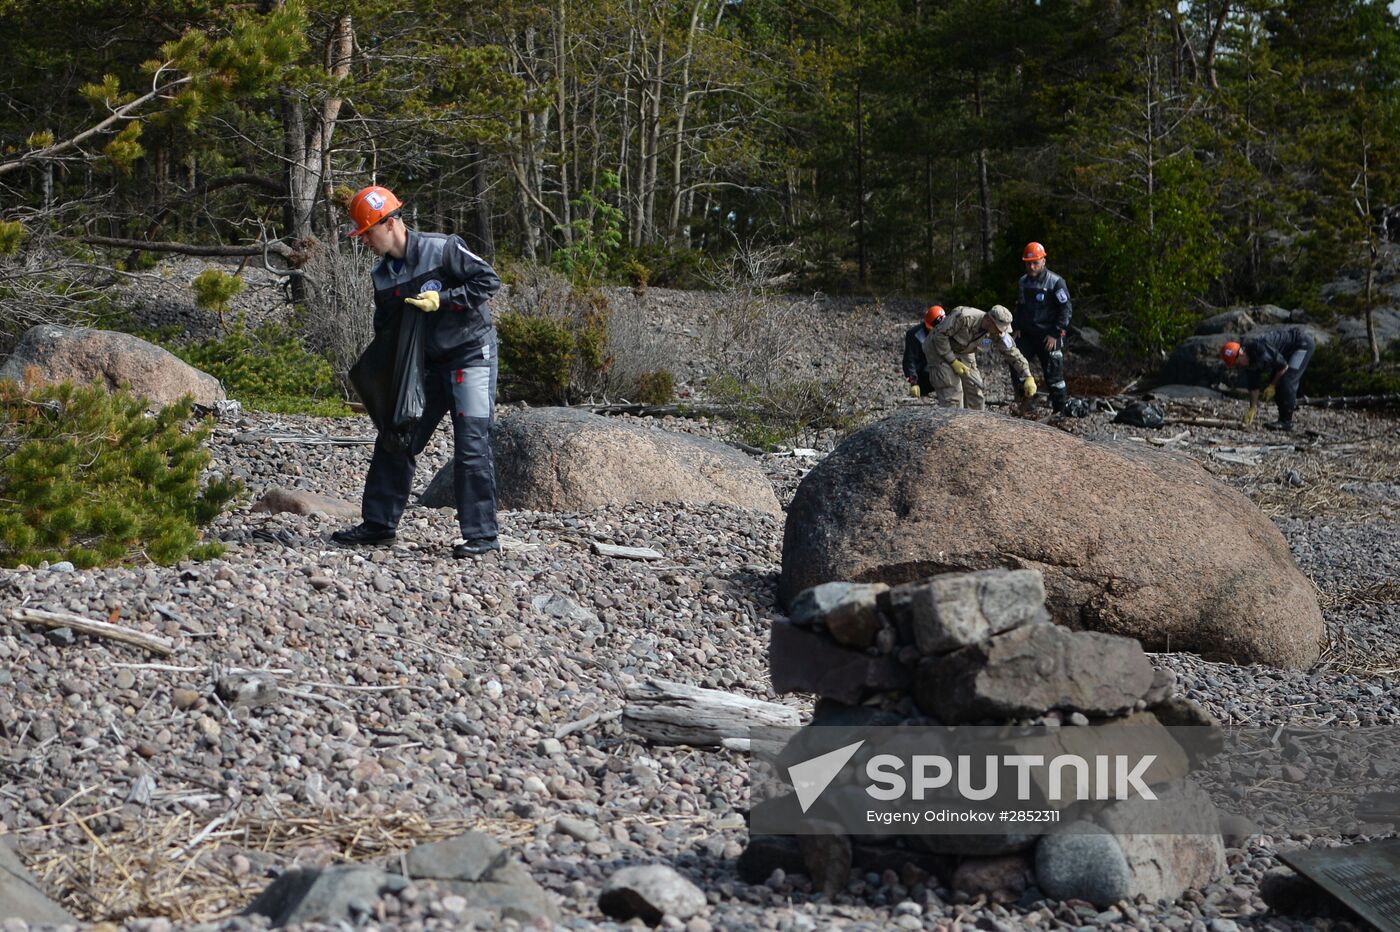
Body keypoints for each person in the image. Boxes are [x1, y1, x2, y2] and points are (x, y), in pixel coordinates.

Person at [331, 184, 503, 557]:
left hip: (471, 354)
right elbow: (388, 333)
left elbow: (489, 281)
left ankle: (482, 537)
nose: (364, 242)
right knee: (397, 435)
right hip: (425, 366)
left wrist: (445, 299)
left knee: (471, 444)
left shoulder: (442, 249)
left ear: (389, 223)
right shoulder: (382, 278)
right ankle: (379, 526)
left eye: (367, 233)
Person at [924, 304, 1036, 409]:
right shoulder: (963, 316)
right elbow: (939, 336)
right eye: (999, 328)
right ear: (988, 320)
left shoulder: (996, 332)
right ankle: (952, 425)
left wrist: (1028, 376)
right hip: (937, 348)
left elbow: (1012, 352)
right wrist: (953, 361)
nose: (1001, 333)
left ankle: (975, 426)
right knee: (953, 391)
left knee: (975, 389)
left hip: (964, 350)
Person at [1014, 241, 1072, 414]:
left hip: (1049, 335)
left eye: (1035, 263)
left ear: (1043, 261)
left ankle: (1060, 410)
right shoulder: (1023, 282)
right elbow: (1020, 306)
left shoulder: (1055, 282)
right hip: (1027, 334)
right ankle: (1024, 403)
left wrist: (1055, 333)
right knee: (1017, 364)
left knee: (1054, 374)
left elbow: (1066, 309)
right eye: (1028, 263)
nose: (1031, 266)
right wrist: (1016, 326)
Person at [1220, 326, 1315, 432]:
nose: (1238, 366)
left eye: (1237, 363)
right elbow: (1254, 387)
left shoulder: (1261, 350)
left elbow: (1283, 367)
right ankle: (1284, 415)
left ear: (1241, 354)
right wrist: (1252, 408)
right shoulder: (1249, 364)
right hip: (1286, 354)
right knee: (1279, 381)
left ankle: (1286, 422)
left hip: (1302, 345)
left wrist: (1272, 385)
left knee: (1287, 381)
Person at [902, 305, 944, 398]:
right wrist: (913, 382)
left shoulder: (948, 331)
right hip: (924, 374)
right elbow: (910, 360)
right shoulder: (915, 335)